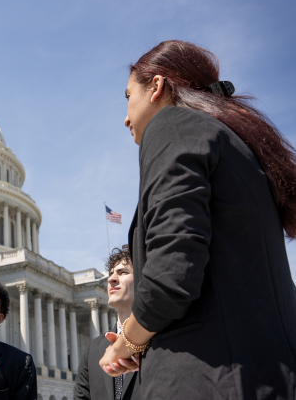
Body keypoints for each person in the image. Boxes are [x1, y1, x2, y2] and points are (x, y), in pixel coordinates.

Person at [99, 40, 296, 399]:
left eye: (128, 96)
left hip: (207, 381)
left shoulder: (172, 124)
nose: (125, 117)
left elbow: (171, 273)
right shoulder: (238, 145)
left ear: (157, 87)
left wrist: (127, 340)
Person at [74, 245, 140, 400]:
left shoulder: (162, 342)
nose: (111, 278)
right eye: (111, 274)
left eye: (123, 272)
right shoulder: (93, 350)